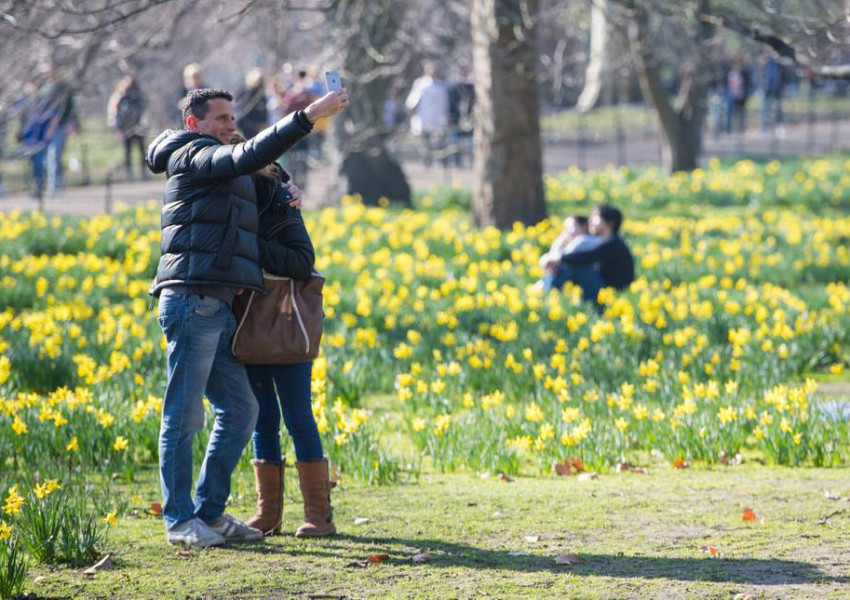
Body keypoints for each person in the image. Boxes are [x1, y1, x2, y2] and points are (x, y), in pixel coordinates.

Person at [145, 85, 348, 548]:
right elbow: (241, 157)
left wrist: (282, 188)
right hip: (192, 300)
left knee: (241, 410)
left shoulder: (225, 166)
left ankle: (210, 513)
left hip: (219, 307)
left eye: (232, 117)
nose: (230, 126)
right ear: (194, 123)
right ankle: (179, 521)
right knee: (183, 415)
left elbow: (252, 169)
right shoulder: (191, 155)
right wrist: (307, 116)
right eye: (220, 118)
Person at [232, 140, 335, 538]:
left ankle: (319, 516)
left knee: (298, 417)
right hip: (248, 327)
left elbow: (302, 261)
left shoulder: (279, 204)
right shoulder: (228, 202)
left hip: (285, 326)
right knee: (263, 421)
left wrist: (249, 246)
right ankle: (268, 515)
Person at [544, 205, 634, 303]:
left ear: (610, 223)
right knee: (567, 266)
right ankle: (549, 294)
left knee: (579, 267)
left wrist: (558, 259)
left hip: (611, 293)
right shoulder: (603, 241)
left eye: (596, 217)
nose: (591, 221)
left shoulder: (613, 244)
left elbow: (587, 257)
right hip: (605, 289)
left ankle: (548, 296)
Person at [405, 60, 450, 167]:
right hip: (426, 119)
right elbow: (412, 102)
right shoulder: (421, 84)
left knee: (436, 143)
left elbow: (444, 104)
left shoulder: (441, 87)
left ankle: (440, 163)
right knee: (427, 143)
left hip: (435, 120)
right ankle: (428, 163)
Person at [538, 215, 600, 290]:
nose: (568, 232)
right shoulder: (575, 242)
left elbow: (564, 255)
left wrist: (549, 260)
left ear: (584, 227)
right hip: (577, 281)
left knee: (558, 271)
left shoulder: (585, 240)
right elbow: (554, 253)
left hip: (586, 281)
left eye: (571, 227)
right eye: (566, 228)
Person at [108, 75, 148, 180]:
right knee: (127, 152)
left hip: (138, 127)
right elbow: (115, 114)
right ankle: (129, 173)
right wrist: (118, 129)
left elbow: (144, 110)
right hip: (125, 128)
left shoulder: (139, 96)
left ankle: (144, 172)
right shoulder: (119, 97)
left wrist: (143, 125)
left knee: (142, 151)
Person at [236, 68, 269, 140]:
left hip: (257, 125)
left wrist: (262, 123)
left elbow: (264, 110)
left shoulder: (261, 95)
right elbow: (242, 108)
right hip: (247, 124)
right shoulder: (247, 92)